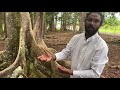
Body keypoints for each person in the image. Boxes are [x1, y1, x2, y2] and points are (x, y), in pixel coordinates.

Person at [37, 12, 109, 78]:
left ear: (100, 24)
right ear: (85, 21)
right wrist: (54, 56)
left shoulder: (101, 46)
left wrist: (71, 72)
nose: (92, 23)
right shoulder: (76, 38)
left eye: (96, 21)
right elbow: (66, 52)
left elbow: (95, 73)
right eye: (89, 20)